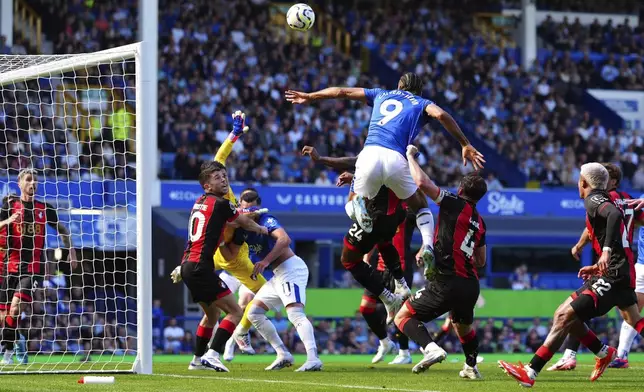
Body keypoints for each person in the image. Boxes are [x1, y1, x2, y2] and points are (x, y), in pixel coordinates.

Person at [286, 73, 485, 270]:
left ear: (399, 86)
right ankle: (427, 246)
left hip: (368, 154)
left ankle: (356, 208)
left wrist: (310, 96)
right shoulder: (422, 102)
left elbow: (342, 91)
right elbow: (441, 115)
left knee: (352, 201)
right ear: (419, 90)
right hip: (397, 159)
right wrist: (464, 143)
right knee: (421, 207)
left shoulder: (380, 94)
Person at [499, 162, 644, 387]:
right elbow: (623, 227)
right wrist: (597, 266)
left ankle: (531, 371)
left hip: (614, 273)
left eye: (579, 179)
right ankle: (603, 352)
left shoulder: (594, 199)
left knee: (563, 316)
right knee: (633, 320)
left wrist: (604, 253)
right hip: (620, 270)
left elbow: (613, 215)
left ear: (583, 182)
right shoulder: (622, 198)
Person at [171, 111, 270, 367]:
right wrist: (259, 226)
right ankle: (218, 351)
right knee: (242, 307)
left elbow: (219, 162)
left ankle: (195, 360)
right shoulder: (222, 203)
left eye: (224, 176)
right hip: (221, 257)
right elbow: (239, 220)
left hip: (198, 259)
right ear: (208, 184)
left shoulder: (202, 200)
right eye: (218, 177)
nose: (224, 178)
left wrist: (234, 133)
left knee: (211, 315)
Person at [301, 145, 414, 365]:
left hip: (392, 246)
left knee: (349, 258)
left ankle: (406, 351)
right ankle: (385, 341)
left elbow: (355, 162)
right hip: (382, 243)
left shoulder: (390, 170)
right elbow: (357, 163)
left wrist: (322, 158)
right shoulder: (391, 164)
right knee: (366, 306)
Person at [394, 145, 487, 379]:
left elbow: (423, 184)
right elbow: (481, 261)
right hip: (470, 285)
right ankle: (471, 367)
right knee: (462, 327)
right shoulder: (481, 222)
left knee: (402, 316)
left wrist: (410, 158)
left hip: (448, 280)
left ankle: (431, 349)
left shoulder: (454, 202)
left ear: (460, 189)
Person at [549, 163, 644, 370]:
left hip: (615, 263)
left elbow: (612, 219)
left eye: (605, 178)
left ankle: (581, 354)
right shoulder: (624, 199)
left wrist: (590, 246)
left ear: (614, 182)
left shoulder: (606, 201)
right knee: (631, 315)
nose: (598, 182)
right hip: (622, 262)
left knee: (577, 310)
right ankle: (599, 354)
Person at [235, 193, 323, 372]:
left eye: (251, 207)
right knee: (253, 313)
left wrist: (265, 262)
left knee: (295, 314)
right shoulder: (242, 228)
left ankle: (313, 358)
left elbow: (285, 240)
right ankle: (283, 353)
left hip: (290, 269)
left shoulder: (266, 219)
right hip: (278, 275)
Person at [0, 169, 78, 365]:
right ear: (19, 184)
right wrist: (8, 220)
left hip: (33, 268)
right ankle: (18, 340)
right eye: (28, 180)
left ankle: (8, 353)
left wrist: (72, 250)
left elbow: (62, 229)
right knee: (4, 317)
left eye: (35, 180)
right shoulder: (10, 206)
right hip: (9, 266)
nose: (33, 183)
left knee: (16, 310)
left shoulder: (45, 208)